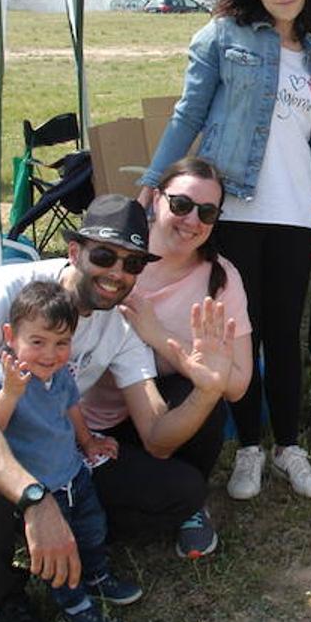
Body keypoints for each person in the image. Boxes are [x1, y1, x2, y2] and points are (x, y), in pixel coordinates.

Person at [0, 194, 236, 622]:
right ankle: (4, 599)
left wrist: (208, 391)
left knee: (182, 491)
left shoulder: (120, 326)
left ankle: (70, 548)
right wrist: (35, 500)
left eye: (132, 263)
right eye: (103, 255)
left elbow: (156, 436)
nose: (116, 273)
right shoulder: (11, 288)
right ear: (73, 251)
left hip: (51, 448)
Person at [140, 0, 311, 501]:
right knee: (238, 336)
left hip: (297, 210)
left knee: (284, 332)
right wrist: (154, 183)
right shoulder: (222, 35)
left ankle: (289, 448)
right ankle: (249, 447)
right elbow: (187, 115)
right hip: (236, 209)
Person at [83, 158, 253, 558]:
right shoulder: (119, 260)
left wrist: (162, 339)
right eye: (181, 205)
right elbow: (49, 289)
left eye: (207, 213)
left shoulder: (221, 277)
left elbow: (238, 383)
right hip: (88, 422)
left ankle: (188, 508)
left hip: (159, 421)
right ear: (156, 199)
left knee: (203, 391)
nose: (192, 220)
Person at [0, 280, 139, 622]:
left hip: (74, 475)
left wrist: (88, 440)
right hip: (40, 490)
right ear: (10, 336)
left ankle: (97, 575)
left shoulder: (62, 374)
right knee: (60, 551)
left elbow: (71, 408)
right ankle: (72, 600)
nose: (50, 354)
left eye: (61, 343)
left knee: (92, 530)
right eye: (38, 342)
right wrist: (10, 394)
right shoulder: (4, 379)